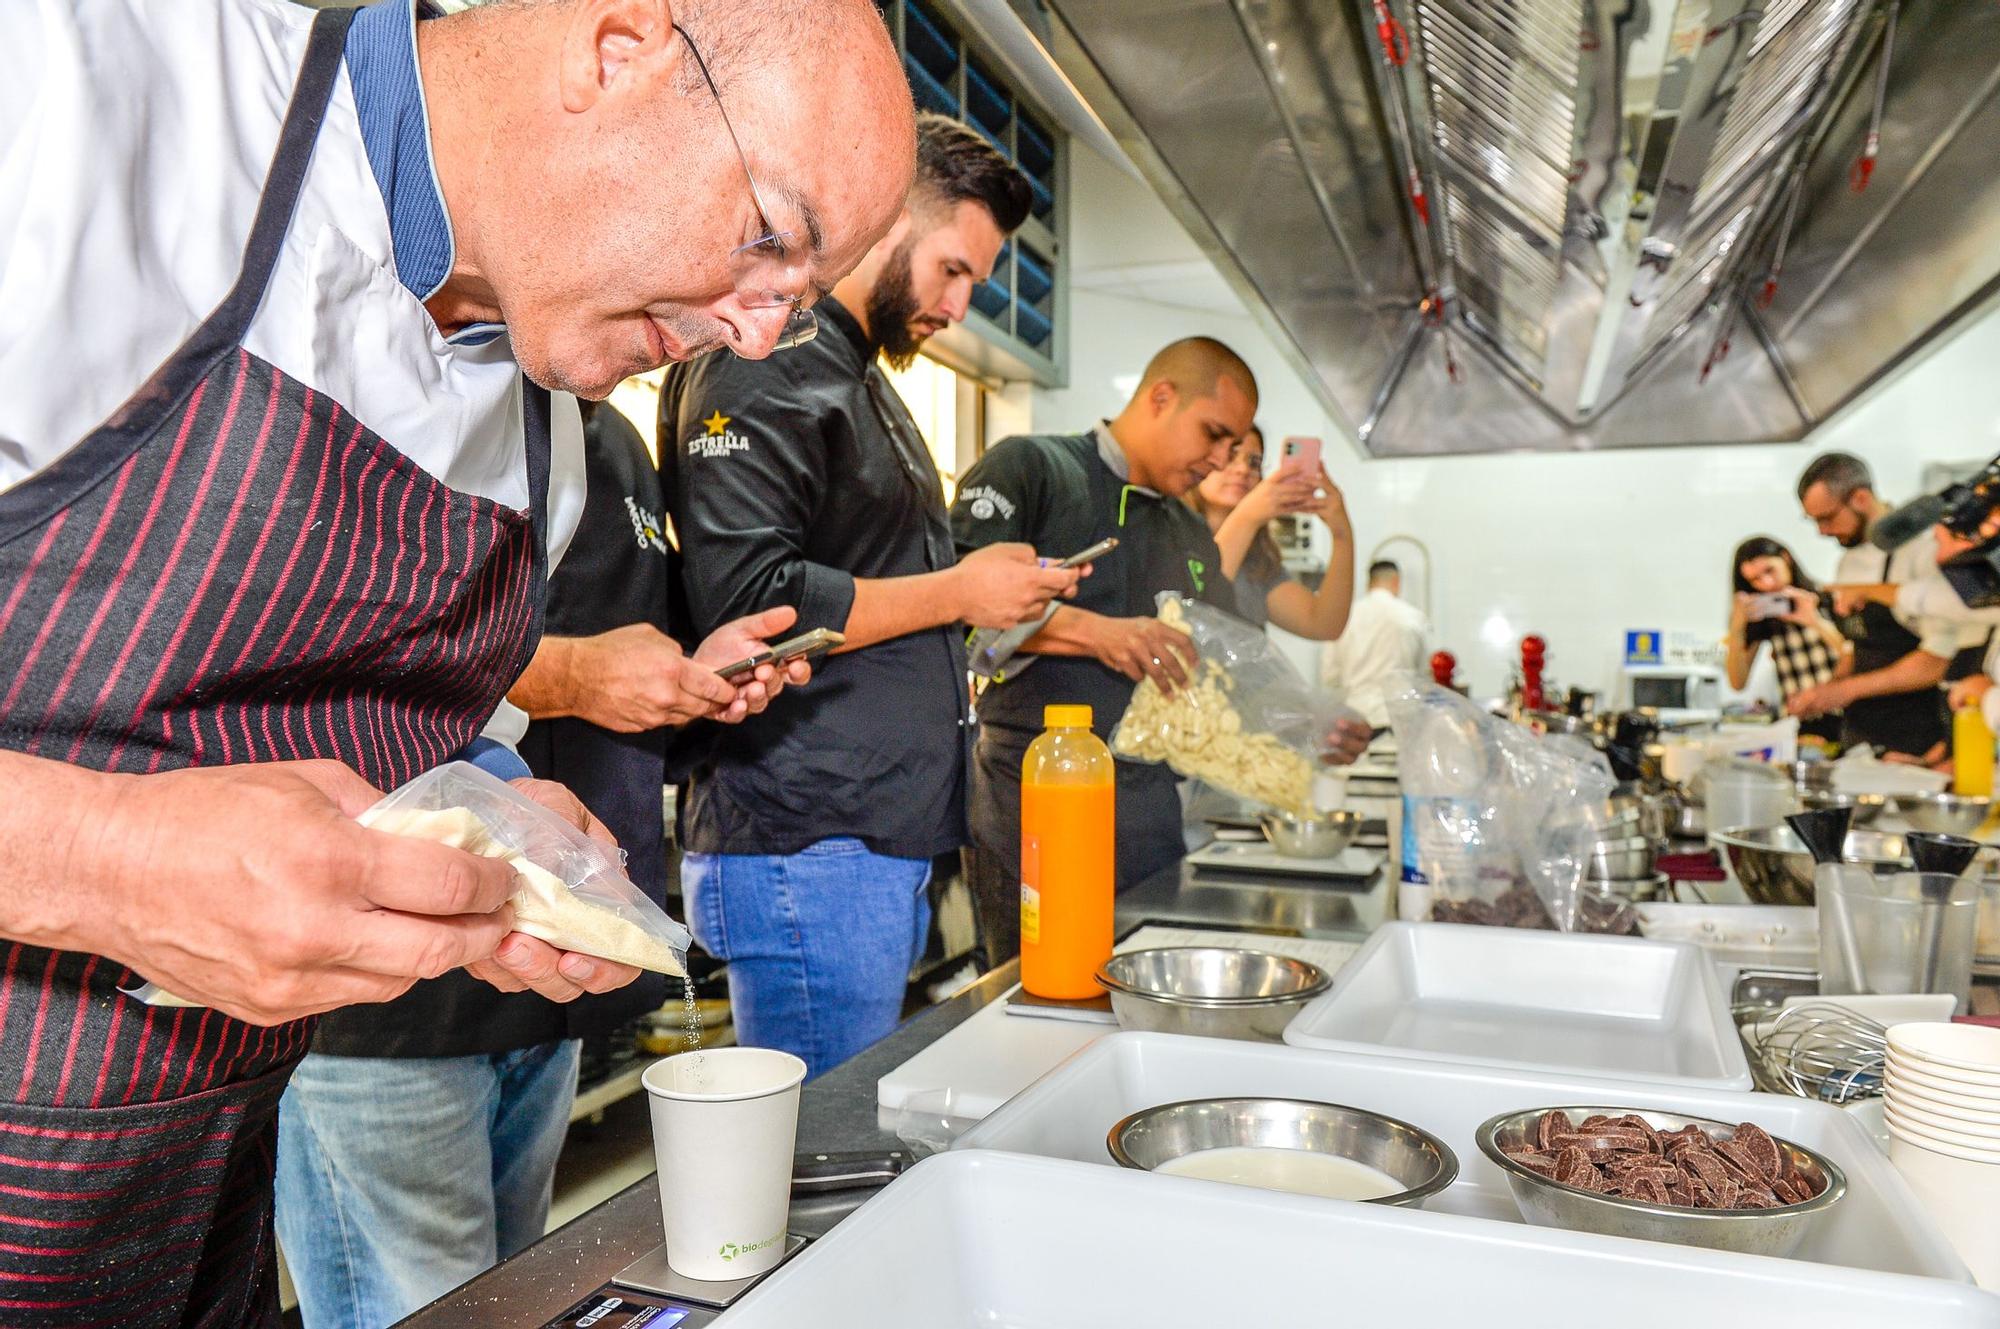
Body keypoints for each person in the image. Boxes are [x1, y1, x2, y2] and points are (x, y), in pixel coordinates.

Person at [0, 0, 915, 1315]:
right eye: (767, 245)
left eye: (799, 298)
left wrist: (493, 826)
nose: (763, 336)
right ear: (617, 53)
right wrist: (109, 858)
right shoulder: (89, 88)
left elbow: (383, 747)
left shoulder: (545, 437)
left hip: (177, 1221)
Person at [274, 400, 808, 1325]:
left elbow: (614, 659)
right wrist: (578, 676)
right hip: (393, 993)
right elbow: (337, 654)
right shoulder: (395, 395)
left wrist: (694, 677)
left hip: (547, 971)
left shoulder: (612, 444)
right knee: (417, 1301)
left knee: (515, 1295)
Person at [658, 115, 1076, 1077]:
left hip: (869, 836)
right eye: (953, 270)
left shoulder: (860, 376)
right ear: (886, 220)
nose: (960, 307)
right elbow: (753, 598)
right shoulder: (763, 359)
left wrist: (977, 596)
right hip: (807, 835)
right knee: (819, 1159)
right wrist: (960, 588)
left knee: (848, 1142)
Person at [950, 338, 1367, 965]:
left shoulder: (1190, 531)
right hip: (1034, 807)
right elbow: (959, 614)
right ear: (1161, 397)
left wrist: (1310, 723)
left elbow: (1229, 669)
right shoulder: (1034, 469)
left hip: (1150, 821)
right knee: (1039, 1005)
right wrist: (1103, 633)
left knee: (1143, 997)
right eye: (1215, 434)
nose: (1222, 458)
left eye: (1235, 446)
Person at [1790, 453, 1975, 758]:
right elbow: (1856, 643)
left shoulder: (1924, 549)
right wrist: (1827, 689)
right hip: (1861, 735)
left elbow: (1937, 660)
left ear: (1861, 498)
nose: (1822, 531)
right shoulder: (1848, 561)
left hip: (1918, 737)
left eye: (1827, 517)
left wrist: (1845, 690)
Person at [1188, 425, 1355, 636]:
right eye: (1231, 456)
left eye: (1254, 462)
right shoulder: (1170, 535)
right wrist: (1248, 517)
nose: (1243, 470)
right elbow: (1194, 611)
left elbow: (1323, 624)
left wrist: (1342, 536)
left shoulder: (1256, 564)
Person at [1723, 536, 1848, 744]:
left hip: (1845, 718)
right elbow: (1738, 682)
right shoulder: (1766, 622)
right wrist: (1736, 628)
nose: (1767, 584)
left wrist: (1814, 621)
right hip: (1799, 728)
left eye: (1770, 570)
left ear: (1786, 558)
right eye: (1755, 580)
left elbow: (1854, 655)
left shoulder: (1828, 600)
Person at [1320, 561, 1428, 728]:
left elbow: (1329, 676)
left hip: (1356, 720)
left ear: (1369, 583)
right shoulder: (1413, 617)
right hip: (1400, 720)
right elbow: (1422, 676)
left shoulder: (1345, 618)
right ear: (1396, 582)